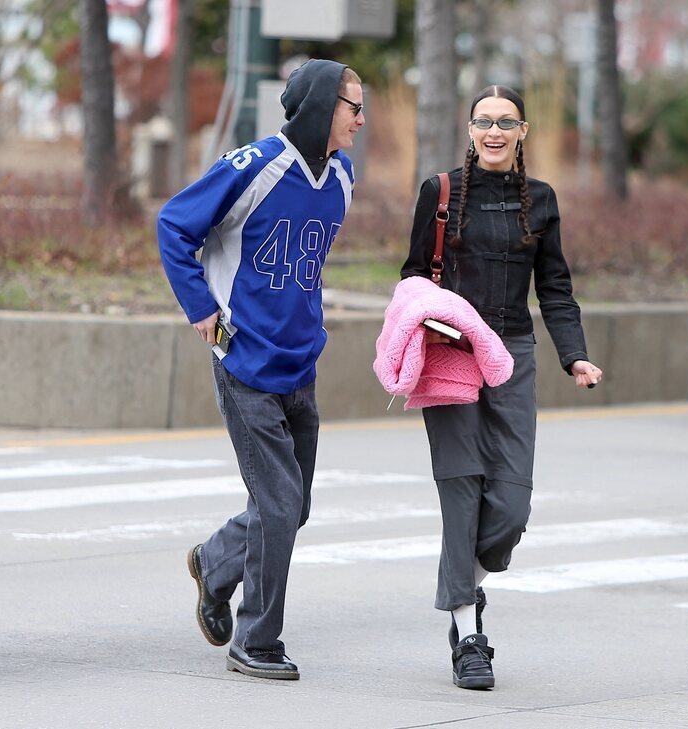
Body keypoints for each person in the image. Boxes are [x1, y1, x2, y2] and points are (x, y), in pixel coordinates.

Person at [156, 59, 365, 681]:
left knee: (291, 507)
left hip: (301, 364)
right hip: (244, 362)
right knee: (277, 504)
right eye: (353, 105)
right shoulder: (255, 166)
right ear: (324, 107)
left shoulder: (343, 177)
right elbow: (174, 225)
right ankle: (258, 640)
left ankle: (215, 562)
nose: (360, 117)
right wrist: (203, 312)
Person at [401, 85, 602, 690]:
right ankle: (469, 635)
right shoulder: (440, 194)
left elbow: (556, 288)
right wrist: (436, 317)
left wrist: (576, 357)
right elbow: (413, 272)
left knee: (510, 505)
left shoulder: (540, 200)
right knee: (462, 489)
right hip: (451, 350)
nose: (494, 131)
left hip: (512, 353)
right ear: (469, 129)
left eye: (505, 122)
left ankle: (467, 587)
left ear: (523, 132)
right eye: (483, 121)